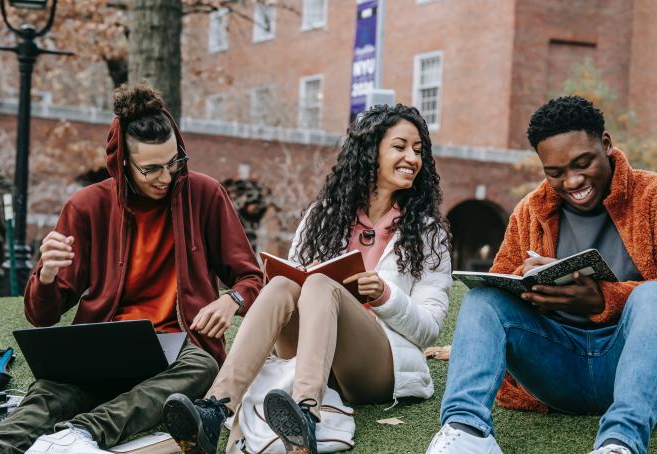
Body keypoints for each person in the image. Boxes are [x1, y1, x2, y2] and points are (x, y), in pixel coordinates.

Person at [0, 82, 263, 454]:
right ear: (123, 164)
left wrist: (231, 299)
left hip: (181, 344)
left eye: (174, 162)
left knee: (202, 366)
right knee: (51, 389)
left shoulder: (206, 194)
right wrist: (46, 275)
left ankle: (79, 436)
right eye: (151, 169)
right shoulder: (86, 206)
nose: (167, 177)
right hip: (104, 345)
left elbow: (251, 278)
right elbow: (41, 315)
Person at [427, 95, 657, 454]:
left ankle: (620, 442)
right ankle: (466, 431)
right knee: (483, 299)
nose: (572, 181)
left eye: (583, 164)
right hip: (559, 369)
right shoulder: (530, 211)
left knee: (656, 295)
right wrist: (528, 279)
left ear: (606, 144)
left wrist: (605, 299)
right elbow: (502, 282)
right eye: (555, 173)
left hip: (651, 375)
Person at [161, 104, 453, 454]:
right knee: (285, 284)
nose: (412, 158)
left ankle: (306, 414)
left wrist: (385, 295)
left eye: (418, 150)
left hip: (377, 364)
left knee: (319, 284)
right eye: (400, 146)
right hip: (310, 354)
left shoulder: (426, 232)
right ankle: (215, 408)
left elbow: (430, 327)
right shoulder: (322, 215)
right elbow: (294, 283)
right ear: (370, 152)